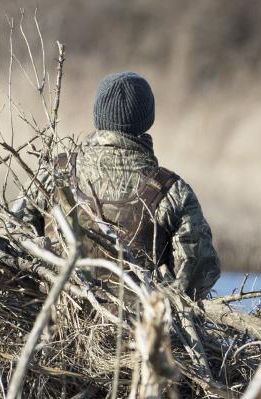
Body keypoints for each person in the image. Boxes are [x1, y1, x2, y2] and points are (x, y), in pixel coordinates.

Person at [18, 71, 220, 300]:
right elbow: (200, 272)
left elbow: (13, 234)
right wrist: (158, 302)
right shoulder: (171, 191)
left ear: (98, 116)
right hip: (138, 329)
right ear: (147, 119)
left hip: (57, 322)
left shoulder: (54, 172)